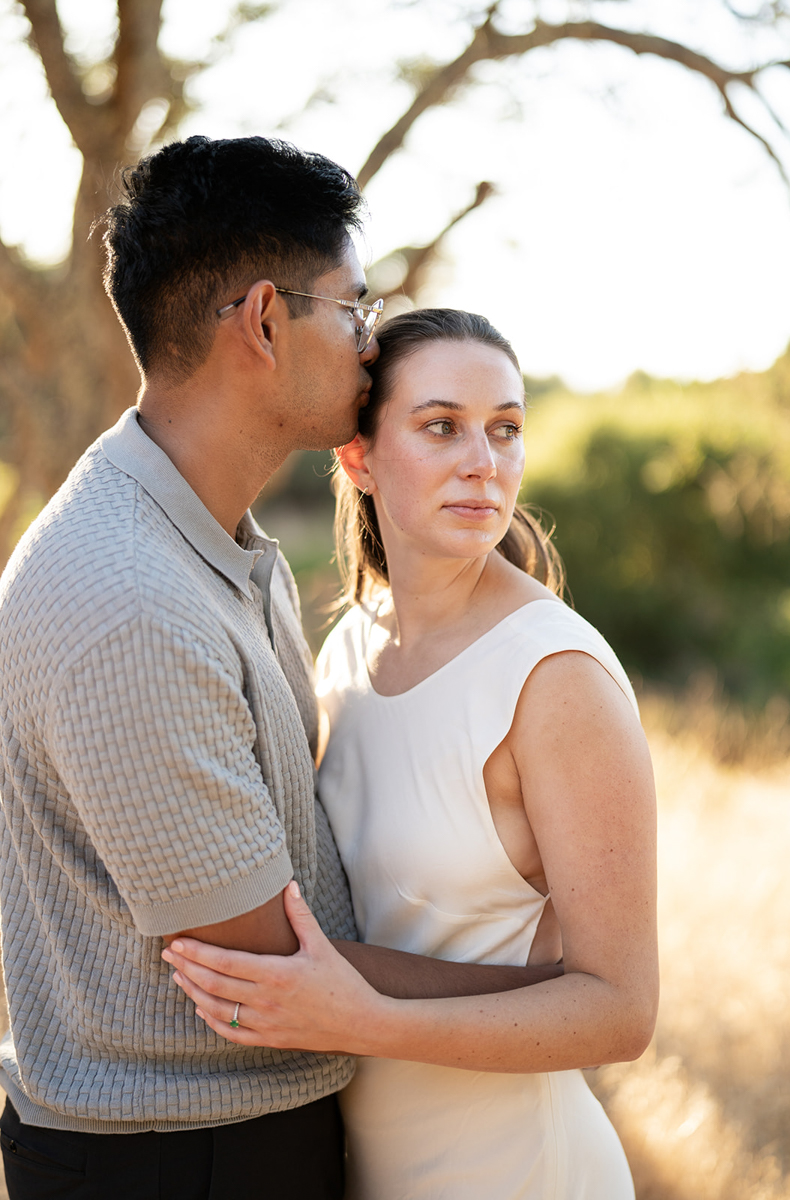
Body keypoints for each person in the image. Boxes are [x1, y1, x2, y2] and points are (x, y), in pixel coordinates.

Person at [0, 142, 562, 1200]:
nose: (367, 344)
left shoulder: (212, 542)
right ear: (263, 321)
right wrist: (547, 992)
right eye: (350, 308)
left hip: (228, 1140)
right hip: (172, 1163)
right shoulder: (131, 599)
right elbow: (275, 969)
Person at [163, 309, 659, 1199]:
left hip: (519, 1169)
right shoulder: (348, 646)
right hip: (368, 1163)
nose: (485, 461)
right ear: (358, 456)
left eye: (506, 429)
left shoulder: (556, 678)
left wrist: (365, 1019)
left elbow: (620, 1011)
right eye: (441, 426)